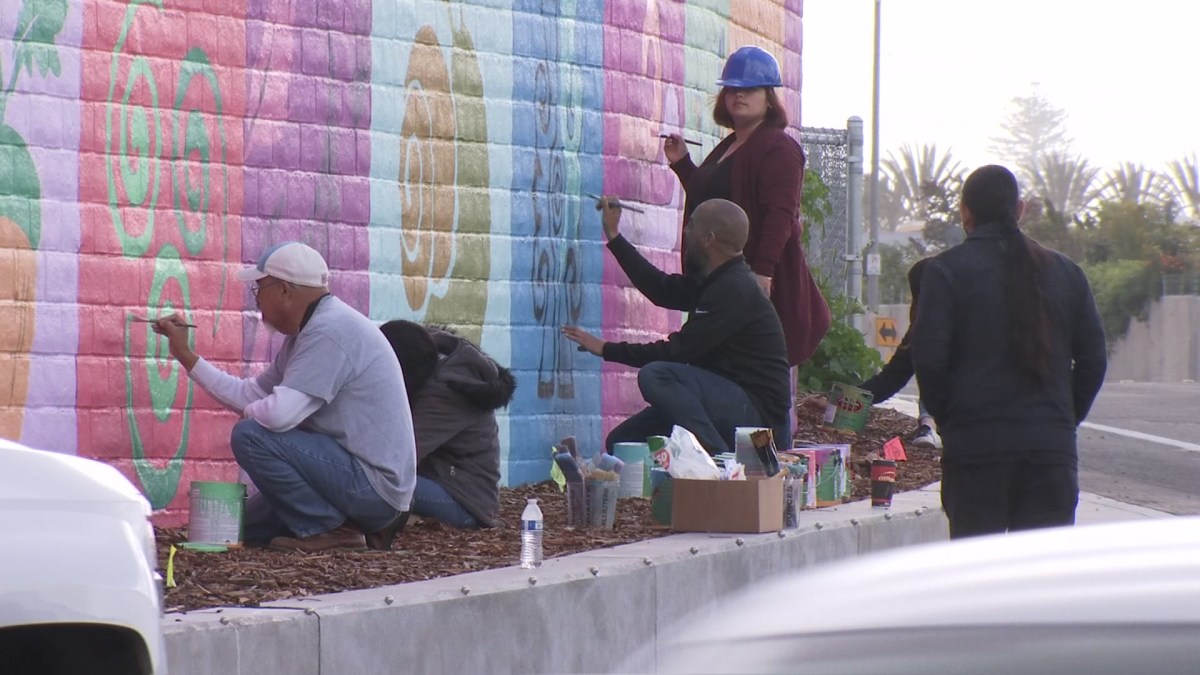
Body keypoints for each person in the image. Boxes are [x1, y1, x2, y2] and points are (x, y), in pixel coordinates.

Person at [154, 241, 416, 552]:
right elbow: (250, 393)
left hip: (374, 488)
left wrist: (250, 413)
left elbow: (278, 416)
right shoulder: (309, 333)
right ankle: (339, 526)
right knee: (240, 528)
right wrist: (186, 355)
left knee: (250, 436)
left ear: (284, 291)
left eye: (259, 289)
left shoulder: (329, 332)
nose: (257, 301)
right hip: (353, 478)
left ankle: (333, 533)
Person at [911, 165, 1107, 539]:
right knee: (1039, 584)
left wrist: (951, 422)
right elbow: (1093, 362)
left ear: (965, 211)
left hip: (975, 450)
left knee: (977, 582)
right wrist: (1062, 418)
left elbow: (930, 361)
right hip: (1050, 452)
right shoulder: (1067, 272)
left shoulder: (946, 272)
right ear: (1020, 209)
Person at [663, 45, 831, 440]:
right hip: (723, 284)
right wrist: (684, 165)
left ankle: (776, 476)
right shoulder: (729, 146)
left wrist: (764, 271)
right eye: (733, 88)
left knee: (763, 383)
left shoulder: (778, 147)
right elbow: (716, 207)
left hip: (753, 284)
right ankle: (733, 477)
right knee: (727, 373)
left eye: (751, 89)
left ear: (769, 97)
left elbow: (780, 215)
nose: (739, 95)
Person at [562, 198, 790, 456]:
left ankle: (719, 460)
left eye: (691, 226)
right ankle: (682, 479)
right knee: (624, 440)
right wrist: (614, 236)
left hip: (758, 421)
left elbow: (678, 351)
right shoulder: (716, 280)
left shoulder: (733, 290)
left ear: (708, 239)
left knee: (656, 375)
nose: (685, 232)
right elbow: (661, 289)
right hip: (723, 403)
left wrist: (607, 349)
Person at [379, 320, 514, 529]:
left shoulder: (443, 392)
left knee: (371, 482)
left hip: (463, 499)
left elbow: (400, 456)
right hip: (440, 476)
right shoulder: (428, 346)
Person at [803, 258, 942, 448]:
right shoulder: (920, 334)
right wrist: (836, 402)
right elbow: (889, 380)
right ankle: (929, 427)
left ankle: (929, 425)